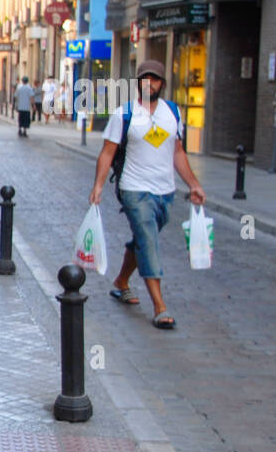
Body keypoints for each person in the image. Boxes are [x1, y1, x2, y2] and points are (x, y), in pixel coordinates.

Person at [88, 59, 207, 329]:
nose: (149, 83)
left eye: (155, 79)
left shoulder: (173, 113)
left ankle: (121, 282)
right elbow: (107, 153)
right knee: (148, 240)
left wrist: (193, 184)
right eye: (145, 78)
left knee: (143, 239)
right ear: (138, 83)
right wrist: (98, 186)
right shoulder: (124, 114)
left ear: (162, 84)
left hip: (166, 192)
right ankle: (160, 307)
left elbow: (178, 152)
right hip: (134, 189)